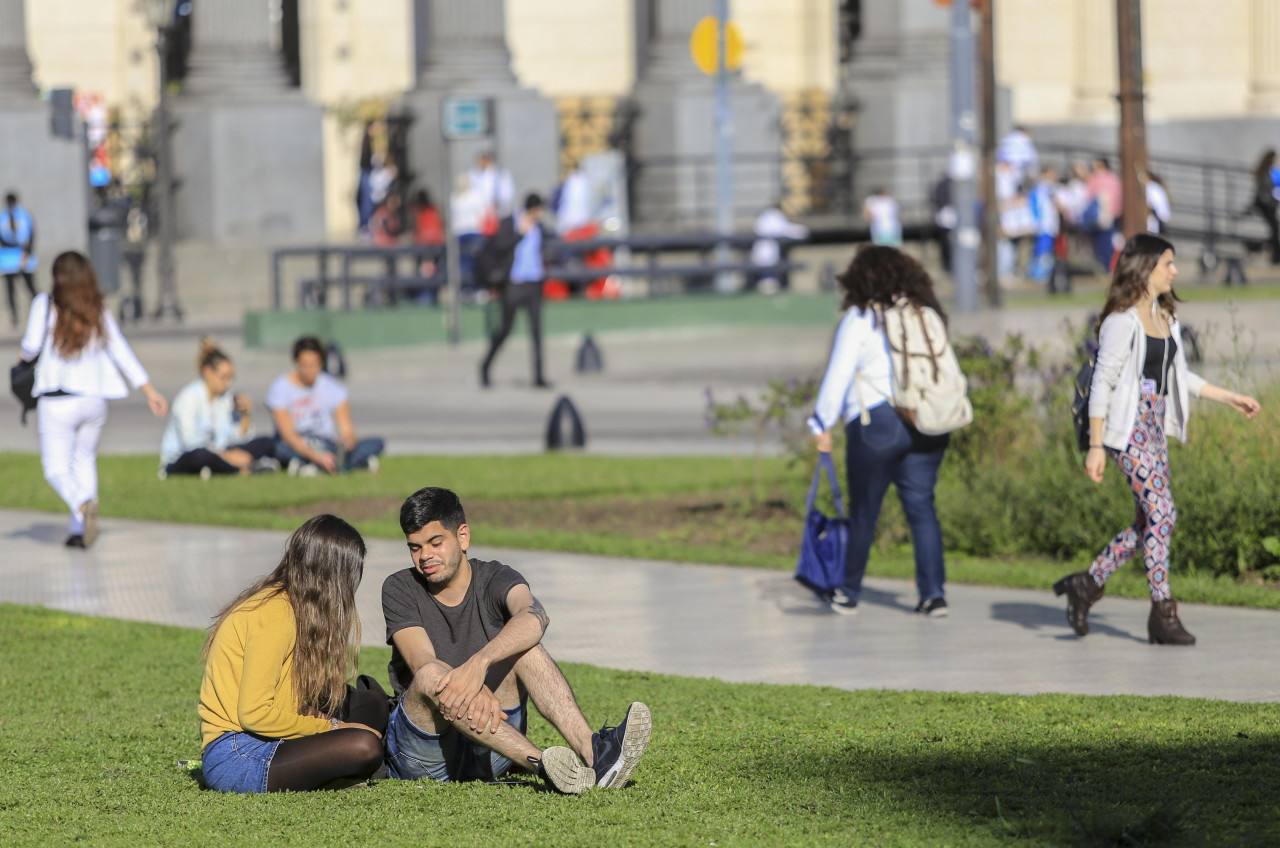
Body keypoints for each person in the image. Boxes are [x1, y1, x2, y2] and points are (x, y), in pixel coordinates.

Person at [1055, 234, 1261, 645]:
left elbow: (1178, 377)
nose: (1175, 271)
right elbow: (1102, 385)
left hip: (1154, 426)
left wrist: (1228, 397)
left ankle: (1087, 583)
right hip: (1125, 430)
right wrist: (1096, 446)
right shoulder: (1121, 322)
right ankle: (1163, 613)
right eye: (1168, 263)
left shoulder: (1166, 318)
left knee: (1149, 521)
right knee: (1164, 514)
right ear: (1146, 267)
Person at [381, 487, 652, 793]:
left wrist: (479, 664)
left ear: (463, 537)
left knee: (527, 648)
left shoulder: (497, 578)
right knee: (431, 675)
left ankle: (596, 755)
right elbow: (422, 661)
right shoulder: (399, 587)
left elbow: (535, 617)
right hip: (424, 755)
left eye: (435, 542)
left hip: (492, 745)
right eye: (415, 548)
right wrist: (468, 687)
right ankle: (546, 767)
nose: (425, 556)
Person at [807, 246, 952, 617]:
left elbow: (838, 376)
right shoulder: (925, 313)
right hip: (928, 422)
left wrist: (821, 423)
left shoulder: (860, 318)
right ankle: (933, 596)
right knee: (922, 509)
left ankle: (848, 592)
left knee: (864, 513)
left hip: (878, 425)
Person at [199, 514, 387, 793]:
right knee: (364, 745)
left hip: (266, 738)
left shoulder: (292, 606)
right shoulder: (277, 614)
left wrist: (335, 721)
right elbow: (254, 715)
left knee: (369, 703)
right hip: (237, 753)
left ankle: (339, 769)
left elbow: (287, 702)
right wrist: (334, 728)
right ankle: (347, 768)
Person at [17, 251, 167, 548]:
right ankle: (79, 532)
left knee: (56, 469)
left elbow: (31, 348)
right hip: (94, 401)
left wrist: (21, 356)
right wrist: (149, 390)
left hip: (57, 400)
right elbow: (120, 350)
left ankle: (83, 505)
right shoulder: (96, 308)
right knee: (84, 459)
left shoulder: (44, 304)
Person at [159, 338, 277, 479]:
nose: (228, 383)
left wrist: (246, 415)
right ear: (208, 372)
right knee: (201, 456)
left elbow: (238, 438)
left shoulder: (225, 398)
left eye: (231, 377)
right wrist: (226, 456)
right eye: (224, 377)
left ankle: (226, 468)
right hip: (183, 459)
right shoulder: (189, 397)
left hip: (219, 453)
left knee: (267, 442)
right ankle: (244, 470)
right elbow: (190, 443)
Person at [265, 336, 384, 475]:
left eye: (314, 364)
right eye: (305, 365)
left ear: (321, 363)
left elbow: (348, 431)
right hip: (298, 443)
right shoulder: (280, 387)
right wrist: (316, 456)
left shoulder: (333, 387)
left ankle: (313, 466)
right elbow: (288, 435)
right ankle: (348, 464)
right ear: (296, 362)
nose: (309, 370)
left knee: (376, 442)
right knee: (277, 448)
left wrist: (346, 443)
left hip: (326, 443)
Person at [479, 193, 551, 389]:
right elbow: (498, 247)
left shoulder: (539, 227)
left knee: (537, 332)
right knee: (505, 330)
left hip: (534, 283)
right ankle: (485, 367)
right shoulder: (510, 222)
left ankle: (538, 376)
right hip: (513, 284)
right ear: (532, 209)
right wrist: (520, 234)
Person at [750, 200, 809, 294]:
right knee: (768, 278)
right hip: (767, 252)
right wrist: (802, 230)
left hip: (762, 251)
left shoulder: (764, 216)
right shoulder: (775, 216)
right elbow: (785, 229)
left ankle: (766, 287)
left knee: (768, 275)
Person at [1, 191, 38, 327]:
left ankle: (37, 312)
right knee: (10, 289)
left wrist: (26, 254)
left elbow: (31, 235)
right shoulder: (3, 217)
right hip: (8, 256)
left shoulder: (24, 216)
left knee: (30, 286)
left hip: (22, 253)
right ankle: (14, 316)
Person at [1085, 157, 1122, 271]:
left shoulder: (1096, 179)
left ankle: (1107, 266)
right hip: (1113, 215)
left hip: (1100, 217)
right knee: (1109, 241)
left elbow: (1088, 197)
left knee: (1103, 243)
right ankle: (1110, 266)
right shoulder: (1114, 179)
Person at [1252, 149, 1280, 265]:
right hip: (1266, 205)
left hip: (1268, 205)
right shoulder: (1267, 172)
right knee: (1275, 229)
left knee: (1275, 229)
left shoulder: (1269, 172)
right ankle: (1274, 254)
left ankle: (1272, 252)